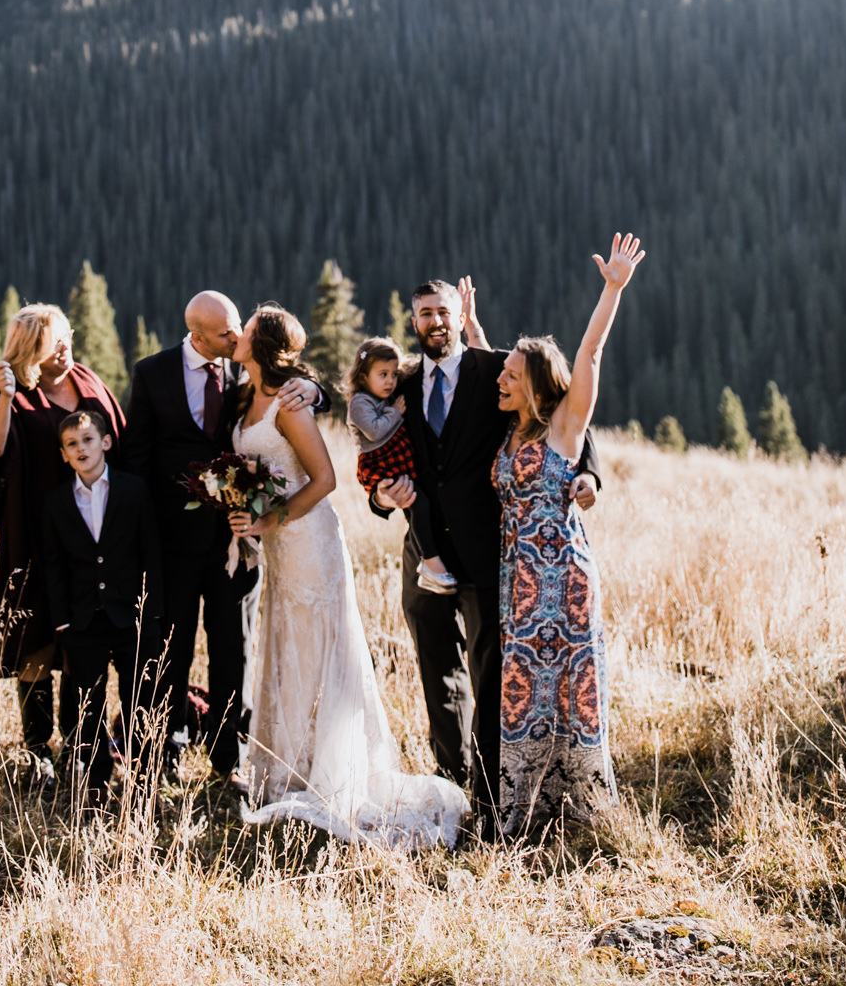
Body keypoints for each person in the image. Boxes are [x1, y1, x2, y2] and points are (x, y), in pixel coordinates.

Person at [227, 303, 467, 846]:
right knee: (287, 646)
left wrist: (270, 517)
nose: (235, 338)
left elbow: (326, 478)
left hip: (309, 541)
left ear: (261, 343)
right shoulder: (246, 395)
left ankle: (329, 772)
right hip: (278, 548)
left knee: (318, 649)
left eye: (244, 331)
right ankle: (286, 767)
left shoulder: (290, 404)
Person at [368, 276, 602, 829]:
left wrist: (588, 472)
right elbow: (372, 448)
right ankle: (454, 789)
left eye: (443, 311)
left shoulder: (494, 370)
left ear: (456, 314)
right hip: (422, 550)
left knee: (491, 672)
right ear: (413, 321)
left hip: (490, 552)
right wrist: (378, 494)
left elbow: (566, 407)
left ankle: (497, 798)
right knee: (434, 669)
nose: (434, 321)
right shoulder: (395, 383)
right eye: (424, 313)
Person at [124, 289, 322, 785]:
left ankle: (226, 757)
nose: (237, 338)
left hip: (236, 541)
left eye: (239, 328)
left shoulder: (244, 367)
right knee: (171, 647)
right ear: (196, 336)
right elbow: (137, 461)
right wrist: (144, 542)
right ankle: (163, 750)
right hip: (172, 543)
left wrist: (316, 392)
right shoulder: (152, 373)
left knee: (234, 647)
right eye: (225, 333)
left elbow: (296, 381)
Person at [493, 232, 644, 835]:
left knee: (571, 690)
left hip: (565, 581)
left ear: (532, 381)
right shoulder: (509, 434)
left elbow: (590, 353)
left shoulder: (564, 429)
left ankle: (584, 814)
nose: (498, 381)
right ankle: (522, 816)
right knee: (523, 694)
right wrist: (475, 329)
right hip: (518, 581)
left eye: (508, 373)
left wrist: (611, 290)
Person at [0, 303, 125, 779]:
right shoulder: (15, 393)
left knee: (85, 636)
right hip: (36, 533)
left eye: (67, 338)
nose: (65, 349)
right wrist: (3, 398)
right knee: (37, 634)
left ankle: (81, 739)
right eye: (52, 344)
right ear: (30, 350)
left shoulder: (87, 380)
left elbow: (116, 439)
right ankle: (38, 745)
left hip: (95, 532)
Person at [43, 410, 164, 807]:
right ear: (63, 455)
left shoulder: (133, 490)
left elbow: (150, 553)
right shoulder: (57, 501)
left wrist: (153, 611)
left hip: (131, 614)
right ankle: (95, 779)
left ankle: (144, 777)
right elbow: (54, 564)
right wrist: (61, 619)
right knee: (87, 701)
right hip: (82, 619)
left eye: (88, 440)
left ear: (106, 443)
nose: (82, 449)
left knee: (139, 698)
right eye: (72, 444)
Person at [346, 337, 456, 594]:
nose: (390, 381)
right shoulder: (359, 402)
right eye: (382, 374)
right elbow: (374, 431)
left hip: (398, 461)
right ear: (363, 376)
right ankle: (430, 561)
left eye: (394, 374)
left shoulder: (386, 394)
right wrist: (395, 412)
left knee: (419, 506)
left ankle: (431, 559)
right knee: (416, 503)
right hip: (382, 464)